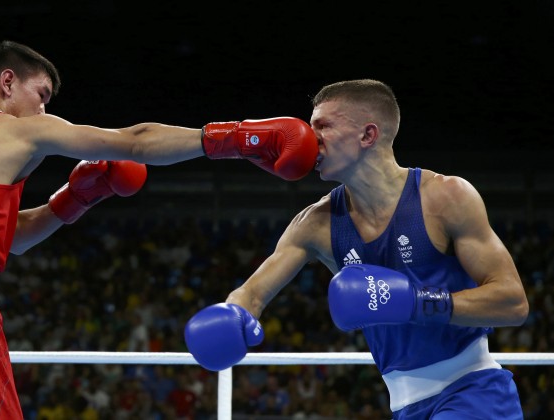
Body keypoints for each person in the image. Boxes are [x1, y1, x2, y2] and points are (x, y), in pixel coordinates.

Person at [0, 40, 319, 419]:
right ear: (7, 82)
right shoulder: (17, 131)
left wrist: (74, 199)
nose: (44, 108)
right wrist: (235, 138)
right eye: (41, 94)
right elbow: (135, 141)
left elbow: (7, 239)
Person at [185, 79, 529, 419]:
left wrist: (416, 302)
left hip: (474, 393)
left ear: (368, 135)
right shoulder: (316, 223)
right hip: (405, 407)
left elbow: (513, 302)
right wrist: (234, 313)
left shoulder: (445, 197)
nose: (310, 139)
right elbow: (252, 293)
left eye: (323, 126)